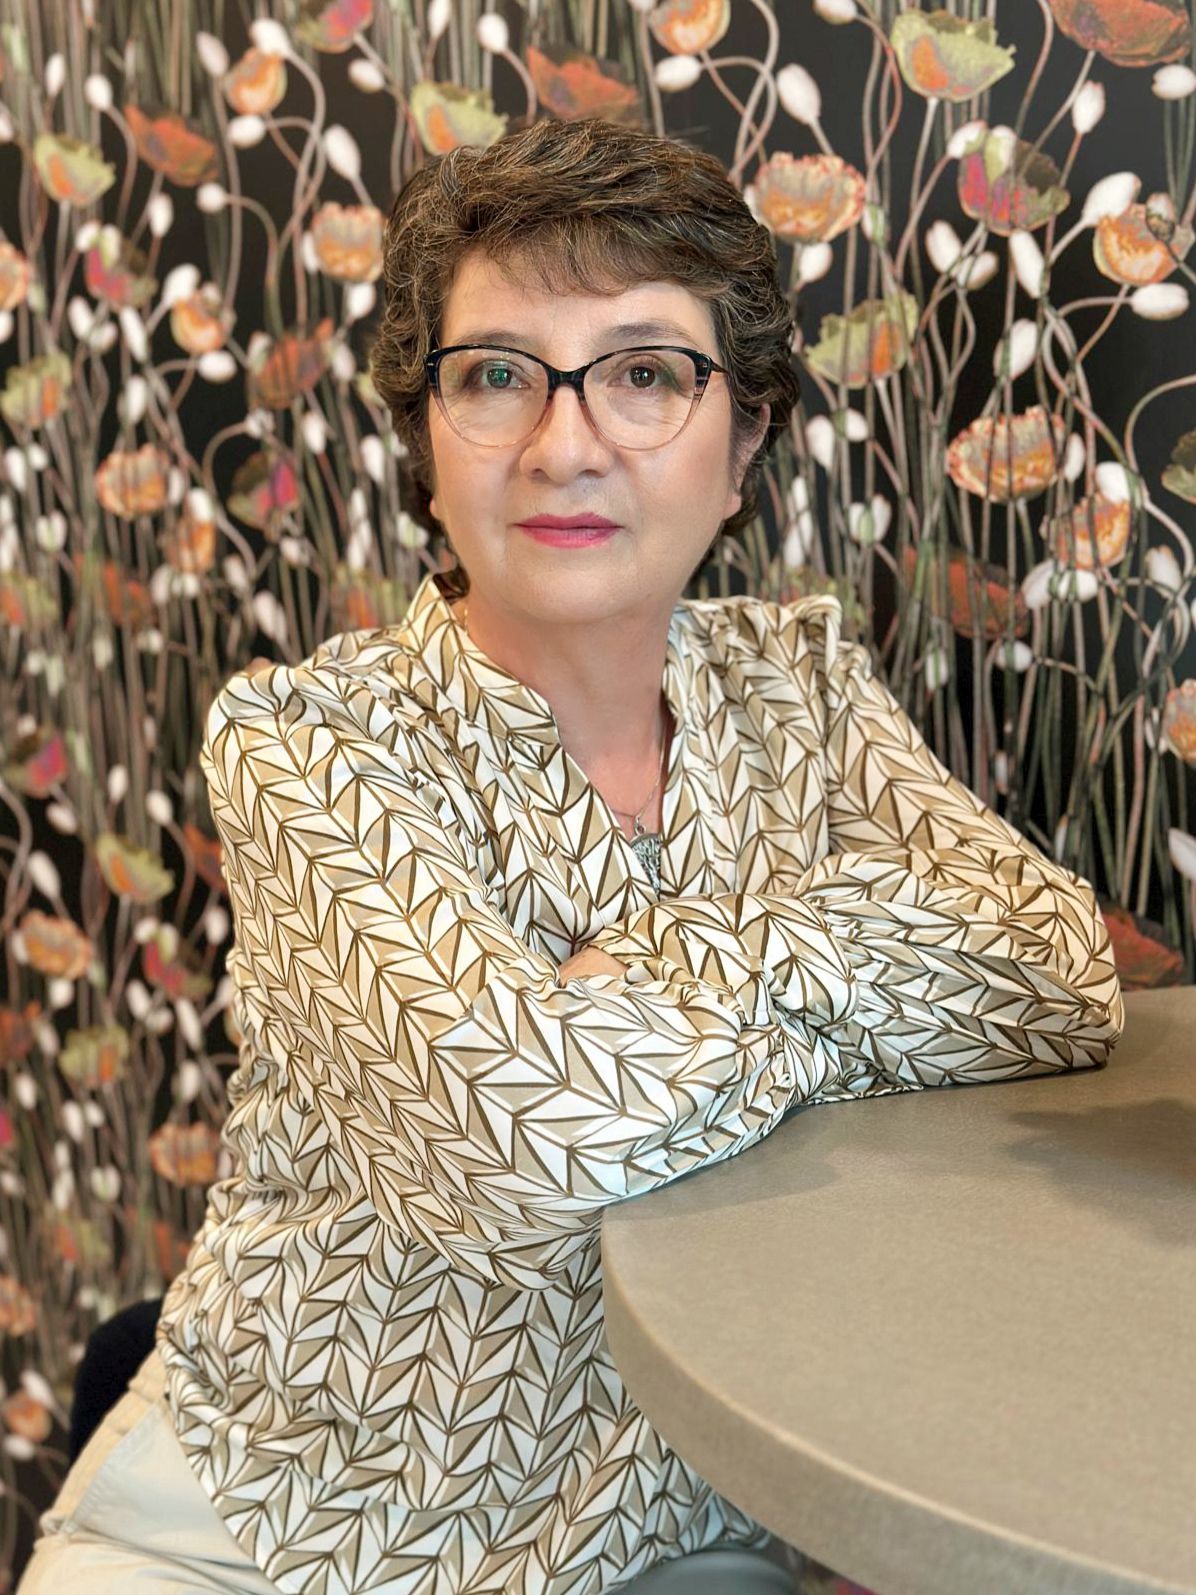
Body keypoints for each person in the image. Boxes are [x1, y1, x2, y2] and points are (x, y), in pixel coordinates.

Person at [18, 114, 1124, 1595]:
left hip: (665, 1541)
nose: (566, 444)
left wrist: (690, 960)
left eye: (646, 374)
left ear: (743, 447)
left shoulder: (799, 683)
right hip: (270, 1537)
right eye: (496, 376)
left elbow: (1058, 975)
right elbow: (533, 1148)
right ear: (427, 444)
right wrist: (851, 998)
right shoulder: (306, 738)